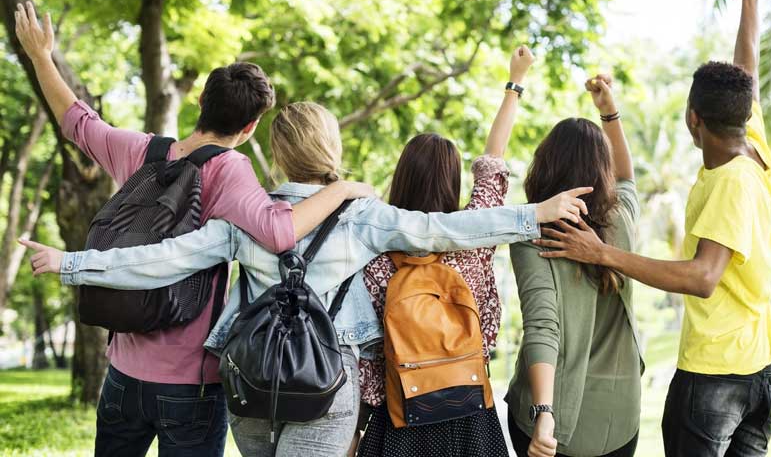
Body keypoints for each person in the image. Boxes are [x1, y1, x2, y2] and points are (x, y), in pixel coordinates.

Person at [23, 103, 591, 457]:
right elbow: (449, 229)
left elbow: (161, 259)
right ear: (332, 150)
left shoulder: (245, 217)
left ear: (276, 155)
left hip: (249, 384)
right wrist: (534, 214)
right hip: (326, 384)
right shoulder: (362, 215)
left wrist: (71, 263)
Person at [14, 1, 376, 457]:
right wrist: (342, 189)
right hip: (191, 383)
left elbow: (78, 123)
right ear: (249, 128)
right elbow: (279, 232)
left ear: (200, 101)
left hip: (123, 373)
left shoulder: (141, 151)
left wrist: (41, 55)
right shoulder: (230, 170)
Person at [532, 0, 771, 457]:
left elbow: (702, 277)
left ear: (694, 120)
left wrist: (601, 253)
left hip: (716, 377)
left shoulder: (732, 182)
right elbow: (745, 71)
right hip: (759, 367)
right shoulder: (752, 143)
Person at [356, 45, 537, 457]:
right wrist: (516, 81)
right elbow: (493, 163)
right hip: (469, 412)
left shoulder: (376, 250)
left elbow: (368, 357)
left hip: (401, 415)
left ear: (401, 178)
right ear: (452, 182)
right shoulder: (473, 240)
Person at [505, 74, 643, 457]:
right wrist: (609, 113)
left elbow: (542, 326)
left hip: (555, 420)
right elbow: (627, 178)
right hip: (619, 419)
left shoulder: (534, 234)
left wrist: (544, 413)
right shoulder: (621, 220)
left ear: (545, 165)